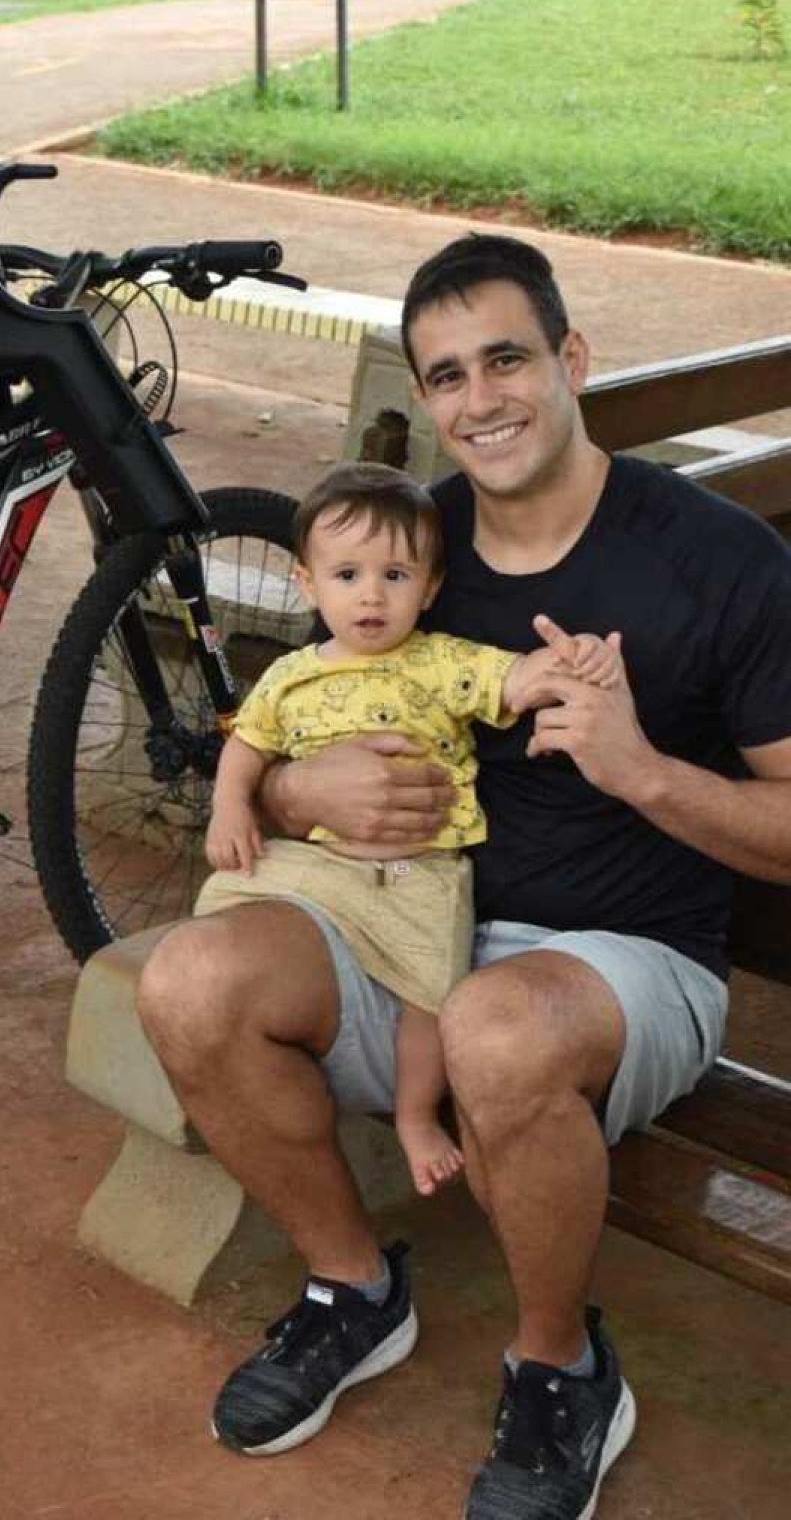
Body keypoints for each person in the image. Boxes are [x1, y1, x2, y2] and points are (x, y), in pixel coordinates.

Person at [136, 232, 791, 1519]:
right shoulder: (409, 545)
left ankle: (560, 1366)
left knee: (499, 1027)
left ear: (571, 358)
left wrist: (643, 770)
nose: (480, 399)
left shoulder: (718, 560)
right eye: (446, 375)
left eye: (506, 359)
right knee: (188, 979)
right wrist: (293, 791)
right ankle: (352, 1285)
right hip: (399, 933)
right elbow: (286, 725)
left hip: (622, 964)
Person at [202, 459, 620, 1197]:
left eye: (395, 576)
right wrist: (229, 807)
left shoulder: (439, 661)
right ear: (307, 583)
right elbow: (247, 748)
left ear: (428, 588)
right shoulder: (290, 675)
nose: (371, 594)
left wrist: (569, 661)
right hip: (318, 867)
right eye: (348, 575)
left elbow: (516, 679)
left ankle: (415, 1114)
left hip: (416, 872)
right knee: (219, 908)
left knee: (432, 994)